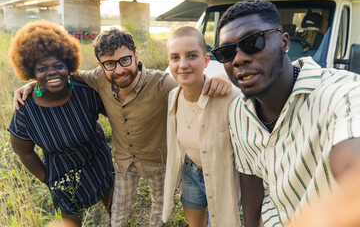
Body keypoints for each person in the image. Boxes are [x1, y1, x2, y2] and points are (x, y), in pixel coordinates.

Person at [14, 27, 232, 226]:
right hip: (124, 163)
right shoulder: (97, 79)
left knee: (158, 211)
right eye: (110, 63)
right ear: (100, 66)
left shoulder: (161, 83)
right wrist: (34, 83)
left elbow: (191, 82)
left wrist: (218, 77)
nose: (119, 70)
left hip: (158, 162)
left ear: (136, 57)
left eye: (125, 60)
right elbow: (63, 76)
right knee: (117, 215)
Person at [211, 0, 360, 227]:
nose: (239, 58)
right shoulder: (240, 111)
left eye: (253, 41)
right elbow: (252, 177)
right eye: (227, 52)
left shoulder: (340, 92)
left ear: (284, 42)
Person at [7, 20, 114, 227]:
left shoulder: (86, 93)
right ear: (32, 72)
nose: (52, 72)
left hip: (97, 160)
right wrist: (48, 179)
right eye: (42, 69)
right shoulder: (26, 110)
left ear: (68, 66)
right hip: (62, 174)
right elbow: (23, 151)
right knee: (71, 220)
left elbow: (117, 115)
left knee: (115, 208)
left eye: (58, 66)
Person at [162, 26, 241, 227]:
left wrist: (228, 79)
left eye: (191, 56)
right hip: (191, 169)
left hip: (222, 175)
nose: (183, 64)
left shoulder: (228, 96)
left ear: (206, 60)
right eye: (175, 58)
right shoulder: (174, 97)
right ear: (169, 62)